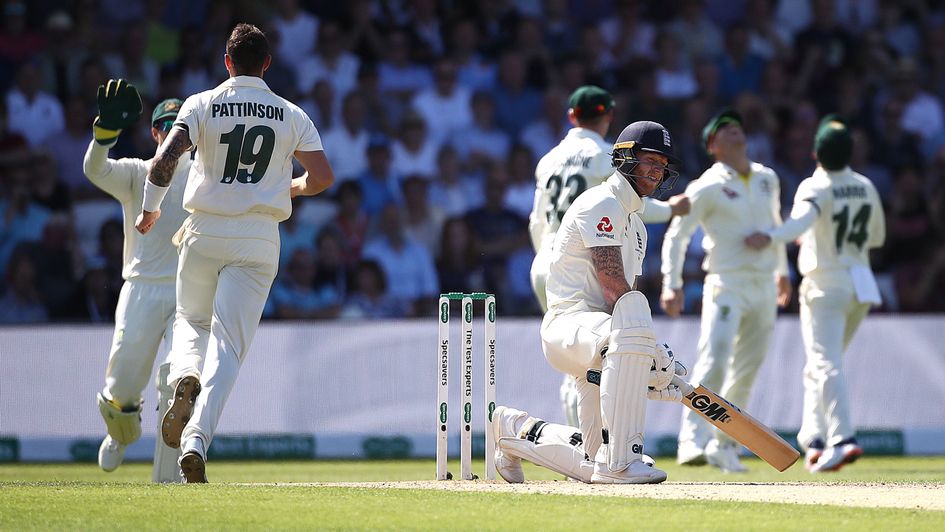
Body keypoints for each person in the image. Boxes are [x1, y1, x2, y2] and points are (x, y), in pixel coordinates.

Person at [134, 23, 335, 483]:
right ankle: (196, 440)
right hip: (259, 236)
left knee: (190, 321)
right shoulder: (290, 113)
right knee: (227, 346)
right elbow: (323, 176)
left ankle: (185, 372)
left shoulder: (201, 102)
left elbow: (165, 161)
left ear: (227, 61)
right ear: (267, 63)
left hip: (204, 228)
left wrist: (149, 211)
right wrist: (295, 187)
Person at [492, 121, 687, 485]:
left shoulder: (638, 227)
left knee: (590, 462)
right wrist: (650, 349)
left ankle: (512, 431)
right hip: (569, 326)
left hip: (601, 340)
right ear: (625, 158)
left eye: (662, 164)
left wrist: (651, 361)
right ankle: (623, 463)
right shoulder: (601, 202)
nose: (657, 171)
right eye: (649, 160)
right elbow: (614, 287)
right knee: (634, 340)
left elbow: (625, 305)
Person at [528, 85, 690, 427]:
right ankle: (591, 441)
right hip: (586, 254)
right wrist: (673, 209)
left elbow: (535, 220)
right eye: (651, 163)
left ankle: (589, 443)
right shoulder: (605, 156)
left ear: (572, 115)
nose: (656, 172)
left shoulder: (548, 160)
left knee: (595, 358)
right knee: (602, 352)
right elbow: (619, 206)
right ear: (609, 116)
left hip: (547, 255)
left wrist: (549, 255)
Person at [744, 116, 885, 473]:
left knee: (825, 363)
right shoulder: (865, 185)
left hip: (826, 283)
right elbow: (877, 237)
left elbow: (799, 224)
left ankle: (843, 438)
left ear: (815, 152)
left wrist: (769, 236)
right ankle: (815, 440)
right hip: (862, 282)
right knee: (821, 364)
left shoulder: (815, 185)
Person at [660, 108, 791, 472]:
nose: (736, 133)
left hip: (763, 284)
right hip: (726, 282)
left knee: (747, 368)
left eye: (738, 128)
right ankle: (691, 440)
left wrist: (783, 271)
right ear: (713, 145)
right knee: (715, 357)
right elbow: (677, 235)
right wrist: (672, 284)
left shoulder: (767, 178)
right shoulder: (708, 185)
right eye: (726, 131)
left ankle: (726, 444)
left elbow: (775, 224)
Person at [84, 81, 190, 483]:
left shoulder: (205, 174)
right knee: (122, 390)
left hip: (188, 292)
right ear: (156, 133)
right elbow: (95, 170)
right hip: (142, 288)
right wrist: (104, 134)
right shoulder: (136, 173)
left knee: (179, 379)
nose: (173, 134)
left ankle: (170, 473)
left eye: (182, 126)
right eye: (167, 125)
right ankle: (119, 432)